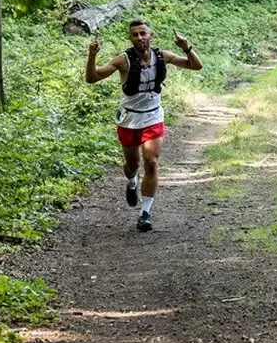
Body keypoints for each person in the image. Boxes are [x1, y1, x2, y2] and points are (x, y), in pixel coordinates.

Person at [85, 19, 203, 232]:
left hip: (153, 117)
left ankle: (145, 214)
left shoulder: (162, 56)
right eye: (135, 35)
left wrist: (186, 47)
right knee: (132, 166)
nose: (139, 38)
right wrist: (92, 55)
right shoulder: (123, 61)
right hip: (129, 119)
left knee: (151, 162)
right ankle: (132, 182)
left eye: (143, 33)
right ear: (130, 39)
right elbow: (92, 78)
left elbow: (196, 66)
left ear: (151, 35)